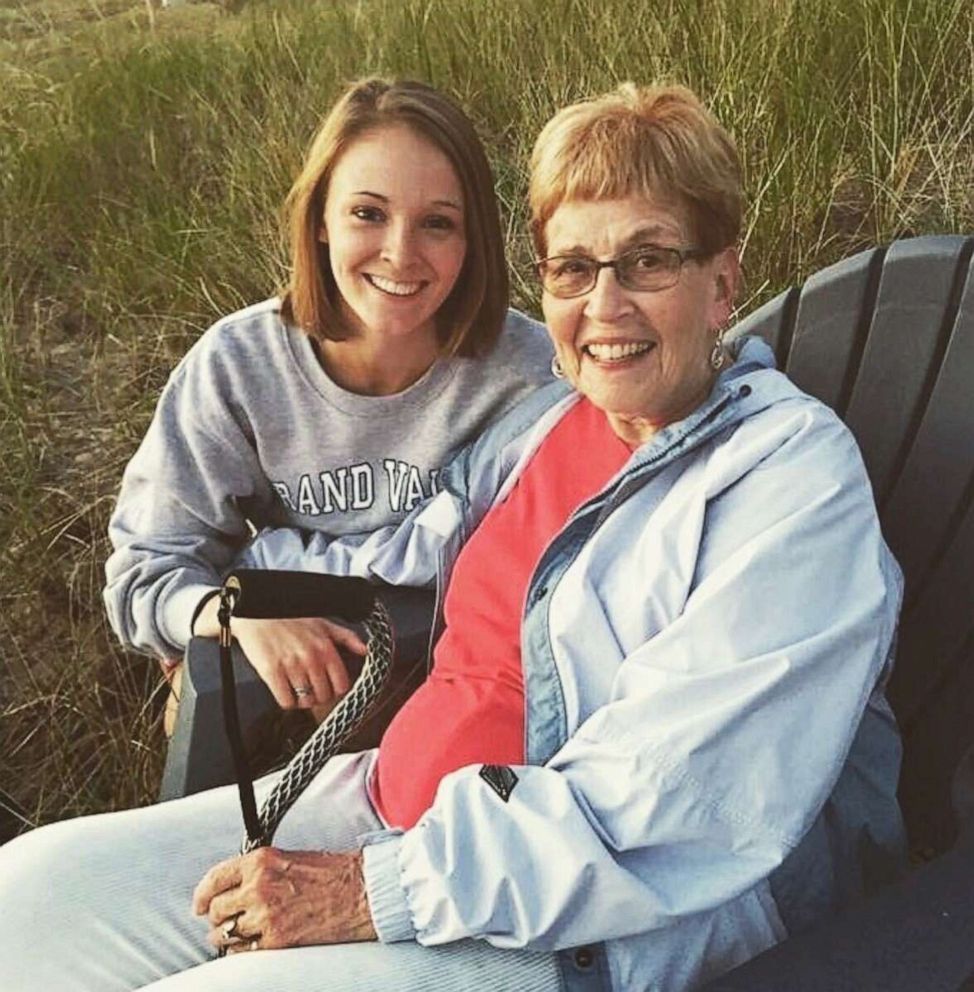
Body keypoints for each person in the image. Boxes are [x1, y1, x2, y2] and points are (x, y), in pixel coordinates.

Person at [0, 83, 905, 992]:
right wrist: (234, 604)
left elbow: (675, 803)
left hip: (602, 916)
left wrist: (371, 891)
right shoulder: (543, 431)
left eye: (648, 261)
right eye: (572, 269)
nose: (606, 305)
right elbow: (389, 557)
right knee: (25, 899)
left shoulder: (789, 479)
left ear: (724, 284)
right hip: (394, 809)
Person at [102, 76, 552, 727]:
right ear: (318, 221)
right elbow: (146, 569)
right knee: (202, 700)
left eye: (437, 223)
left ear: (472, 238)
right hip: (290, 646)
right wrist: (233, 618)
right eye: (368, 214)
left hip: (460, 657)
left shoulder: (532, 372)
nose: (401, 254)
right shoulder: (239, 366)